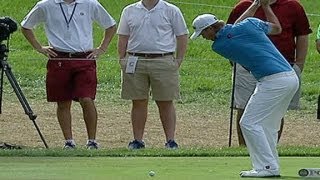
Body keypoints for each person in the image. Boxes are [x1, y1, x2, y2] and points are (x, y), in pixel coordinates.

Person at [191, 0, 298, 177]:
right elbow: (276, 28)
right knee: (268, 126)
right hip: (289, 77)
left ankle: (266, 168)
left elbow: (234, 27)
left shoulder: (220, 45)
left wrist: (256, 5)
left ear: (211, 28)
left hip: (273, 81)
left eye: (203, 33)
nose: (203, 37)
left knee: (248, 122)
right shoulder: (251, 24)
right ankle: (271, 166)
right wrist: (263, 5)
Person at [21, 0, 116, 149]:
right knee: (63, 101)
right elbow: (26, 26)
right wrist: (39, 47)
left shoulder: (90, 3)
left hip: (84, 58)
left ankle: (92, 141)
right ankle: (69, 141)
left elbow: (110, 25)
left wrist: (102, 48)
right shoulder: (45, 5)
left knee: (86, 98)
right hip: (59, 58)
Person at [227, 0, 312, 146]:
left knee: (276, 110)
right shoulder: (243, 6)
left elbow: (302, 36)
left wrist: (299, 65)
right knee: (244, 109)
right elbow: (230, 34)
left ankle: (270, 148)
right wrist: (237, 61)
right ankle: (243, 149)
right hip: (247, 68)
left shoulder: (293, 6)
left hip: (282, 69)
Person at [117, 0, 188, 149]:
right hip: (135, 59)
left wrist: (178, 60)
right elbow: (123, 36)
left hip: (163, 59)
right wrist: (122, 59)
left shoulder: (171, 10)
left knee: (165, 101)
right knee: (138, 101)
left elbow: (182, 36)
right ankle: (137, 140)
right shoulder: (129, 10)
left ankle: (170, 140)